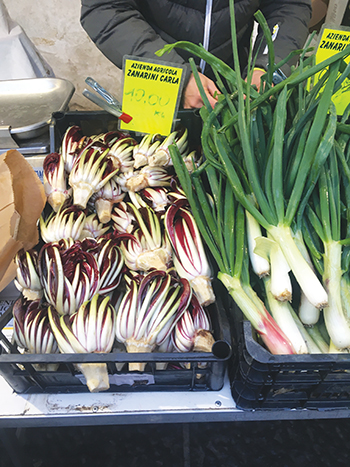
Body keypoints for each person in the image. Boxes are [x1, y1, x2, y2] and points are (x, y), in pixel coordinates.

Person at [80, 0, 312, 109]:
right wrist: (175, 77)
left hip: (231, 89)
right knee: (150, 170)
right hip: (156, 82)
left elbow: (288, 5)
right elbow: (106, 7)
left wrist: (268, 66)